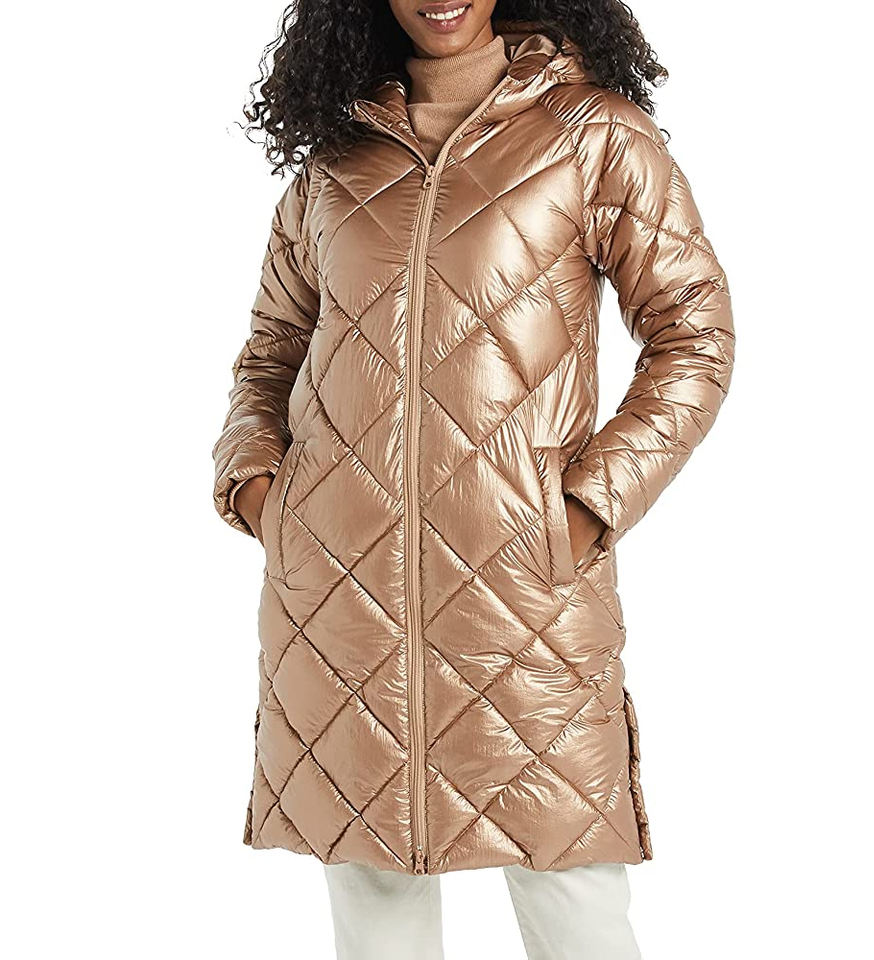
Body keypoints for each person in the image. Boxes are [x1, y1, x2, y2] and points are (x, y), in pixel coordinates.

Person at [212, 2, 735, 957]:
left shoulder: (595, 135)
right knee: (373, 896)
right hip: (341, 597)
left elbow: (693, 337)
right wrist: (263, 493)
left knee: (572, 897)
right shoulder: (335, 163)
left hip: (526, 593)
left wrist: (588, 507)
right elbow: (270, 356)